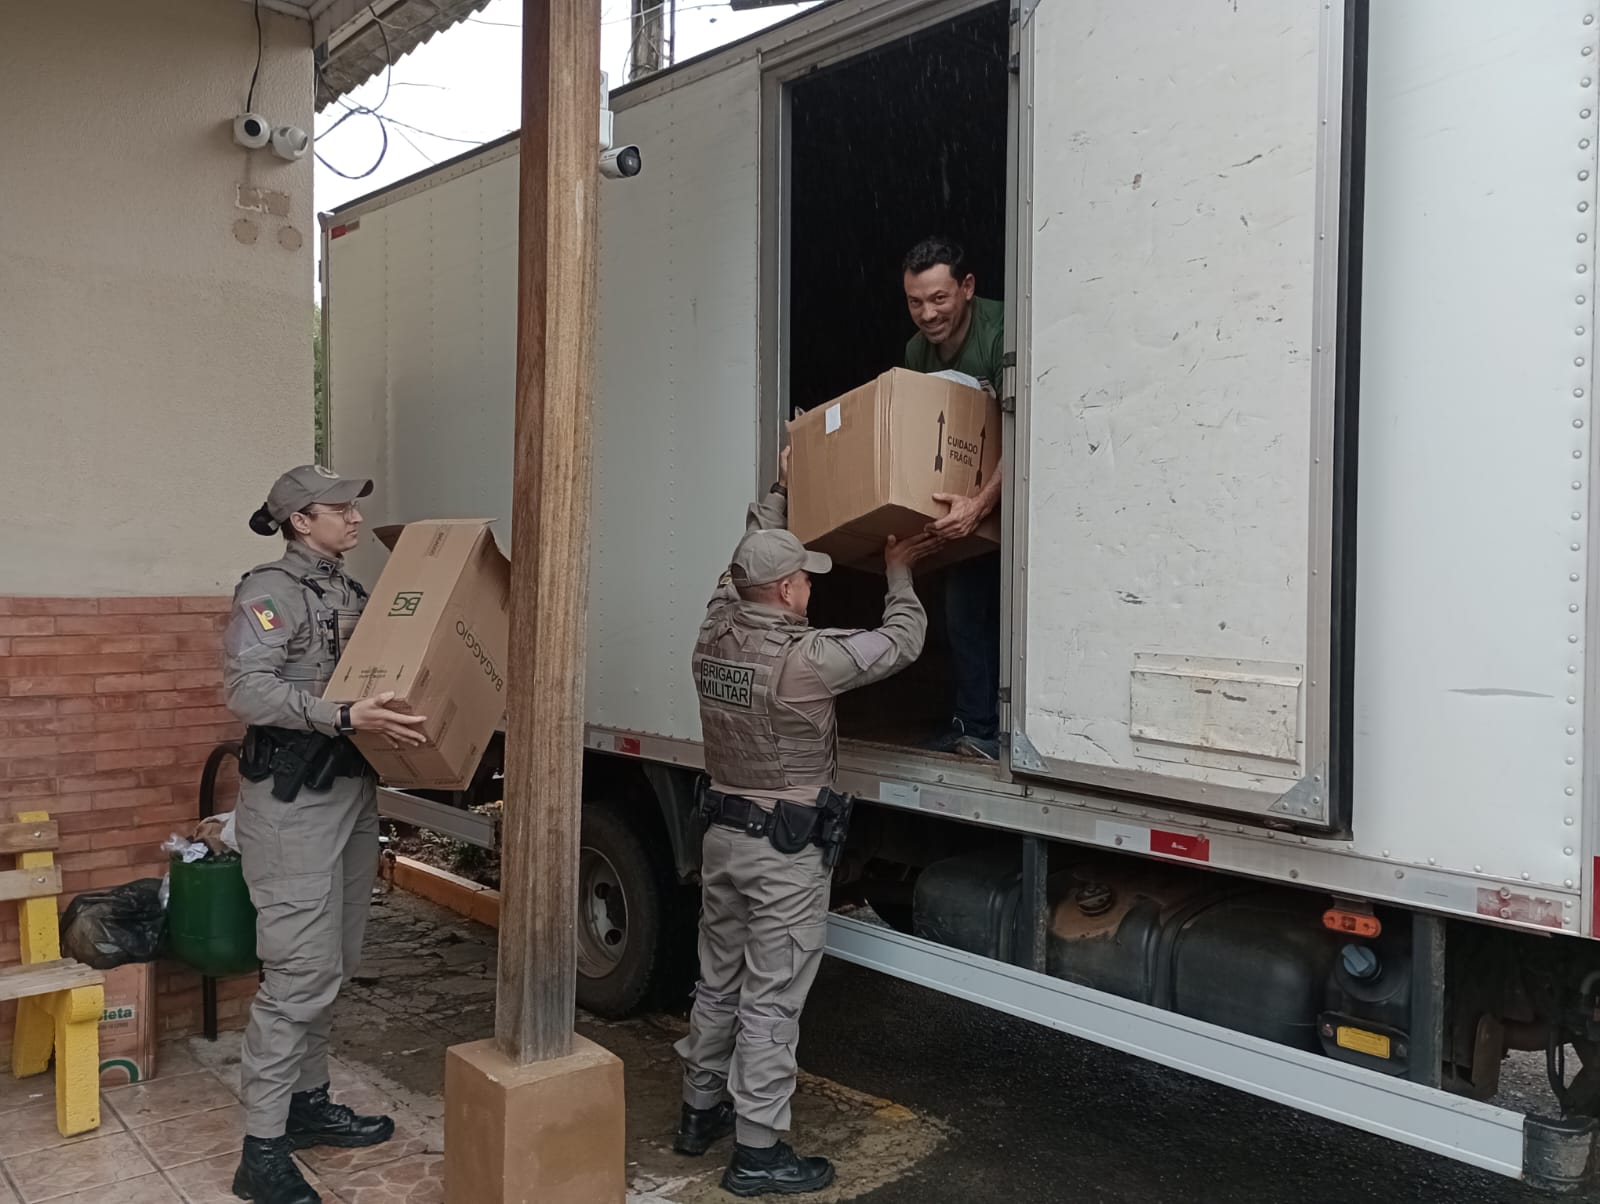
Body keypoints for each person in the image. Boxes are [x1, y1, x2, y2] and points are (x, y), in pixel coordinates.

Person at [674, 447, 938, 1197]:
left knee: (717, 980)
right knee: (772, 997)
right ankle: (758, 1152)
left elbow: (737, 568)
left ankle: (698, 1114)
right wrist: (899, 571)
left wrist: (780, 492)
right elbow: (904, 641)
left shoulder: (712, 634)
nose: (806, 590)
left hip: (722, 836)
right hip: (784, 849)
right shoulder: (810, 660)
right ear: (787, 589)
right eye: (802, 580)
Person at [223, 465, 429, 1204]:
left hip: (349, 793)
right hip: (293, 804)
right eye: (338, 508)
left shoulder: (348, 591)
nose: (353, 518)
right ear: (299, 520)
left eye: (352, 507)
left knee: (333, 964)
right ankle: (262, 1149)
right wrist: (340, 717)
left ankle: (307, 1104)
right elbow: (247, 688)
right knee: (296, 975)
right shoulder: (269, 592)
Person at [902, 235, 1006, 760]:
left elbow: (1029, 430)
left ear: (966, 288)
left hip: (1020, 494)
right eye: (916, 302)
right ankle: (977, 727)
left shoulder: (1002, 329)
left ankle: (996, 726)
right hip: (965, 505)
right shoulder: (916, 351)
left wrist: (982, 503)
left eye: (939, 299)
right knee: (962, 606)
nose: (928, 314)